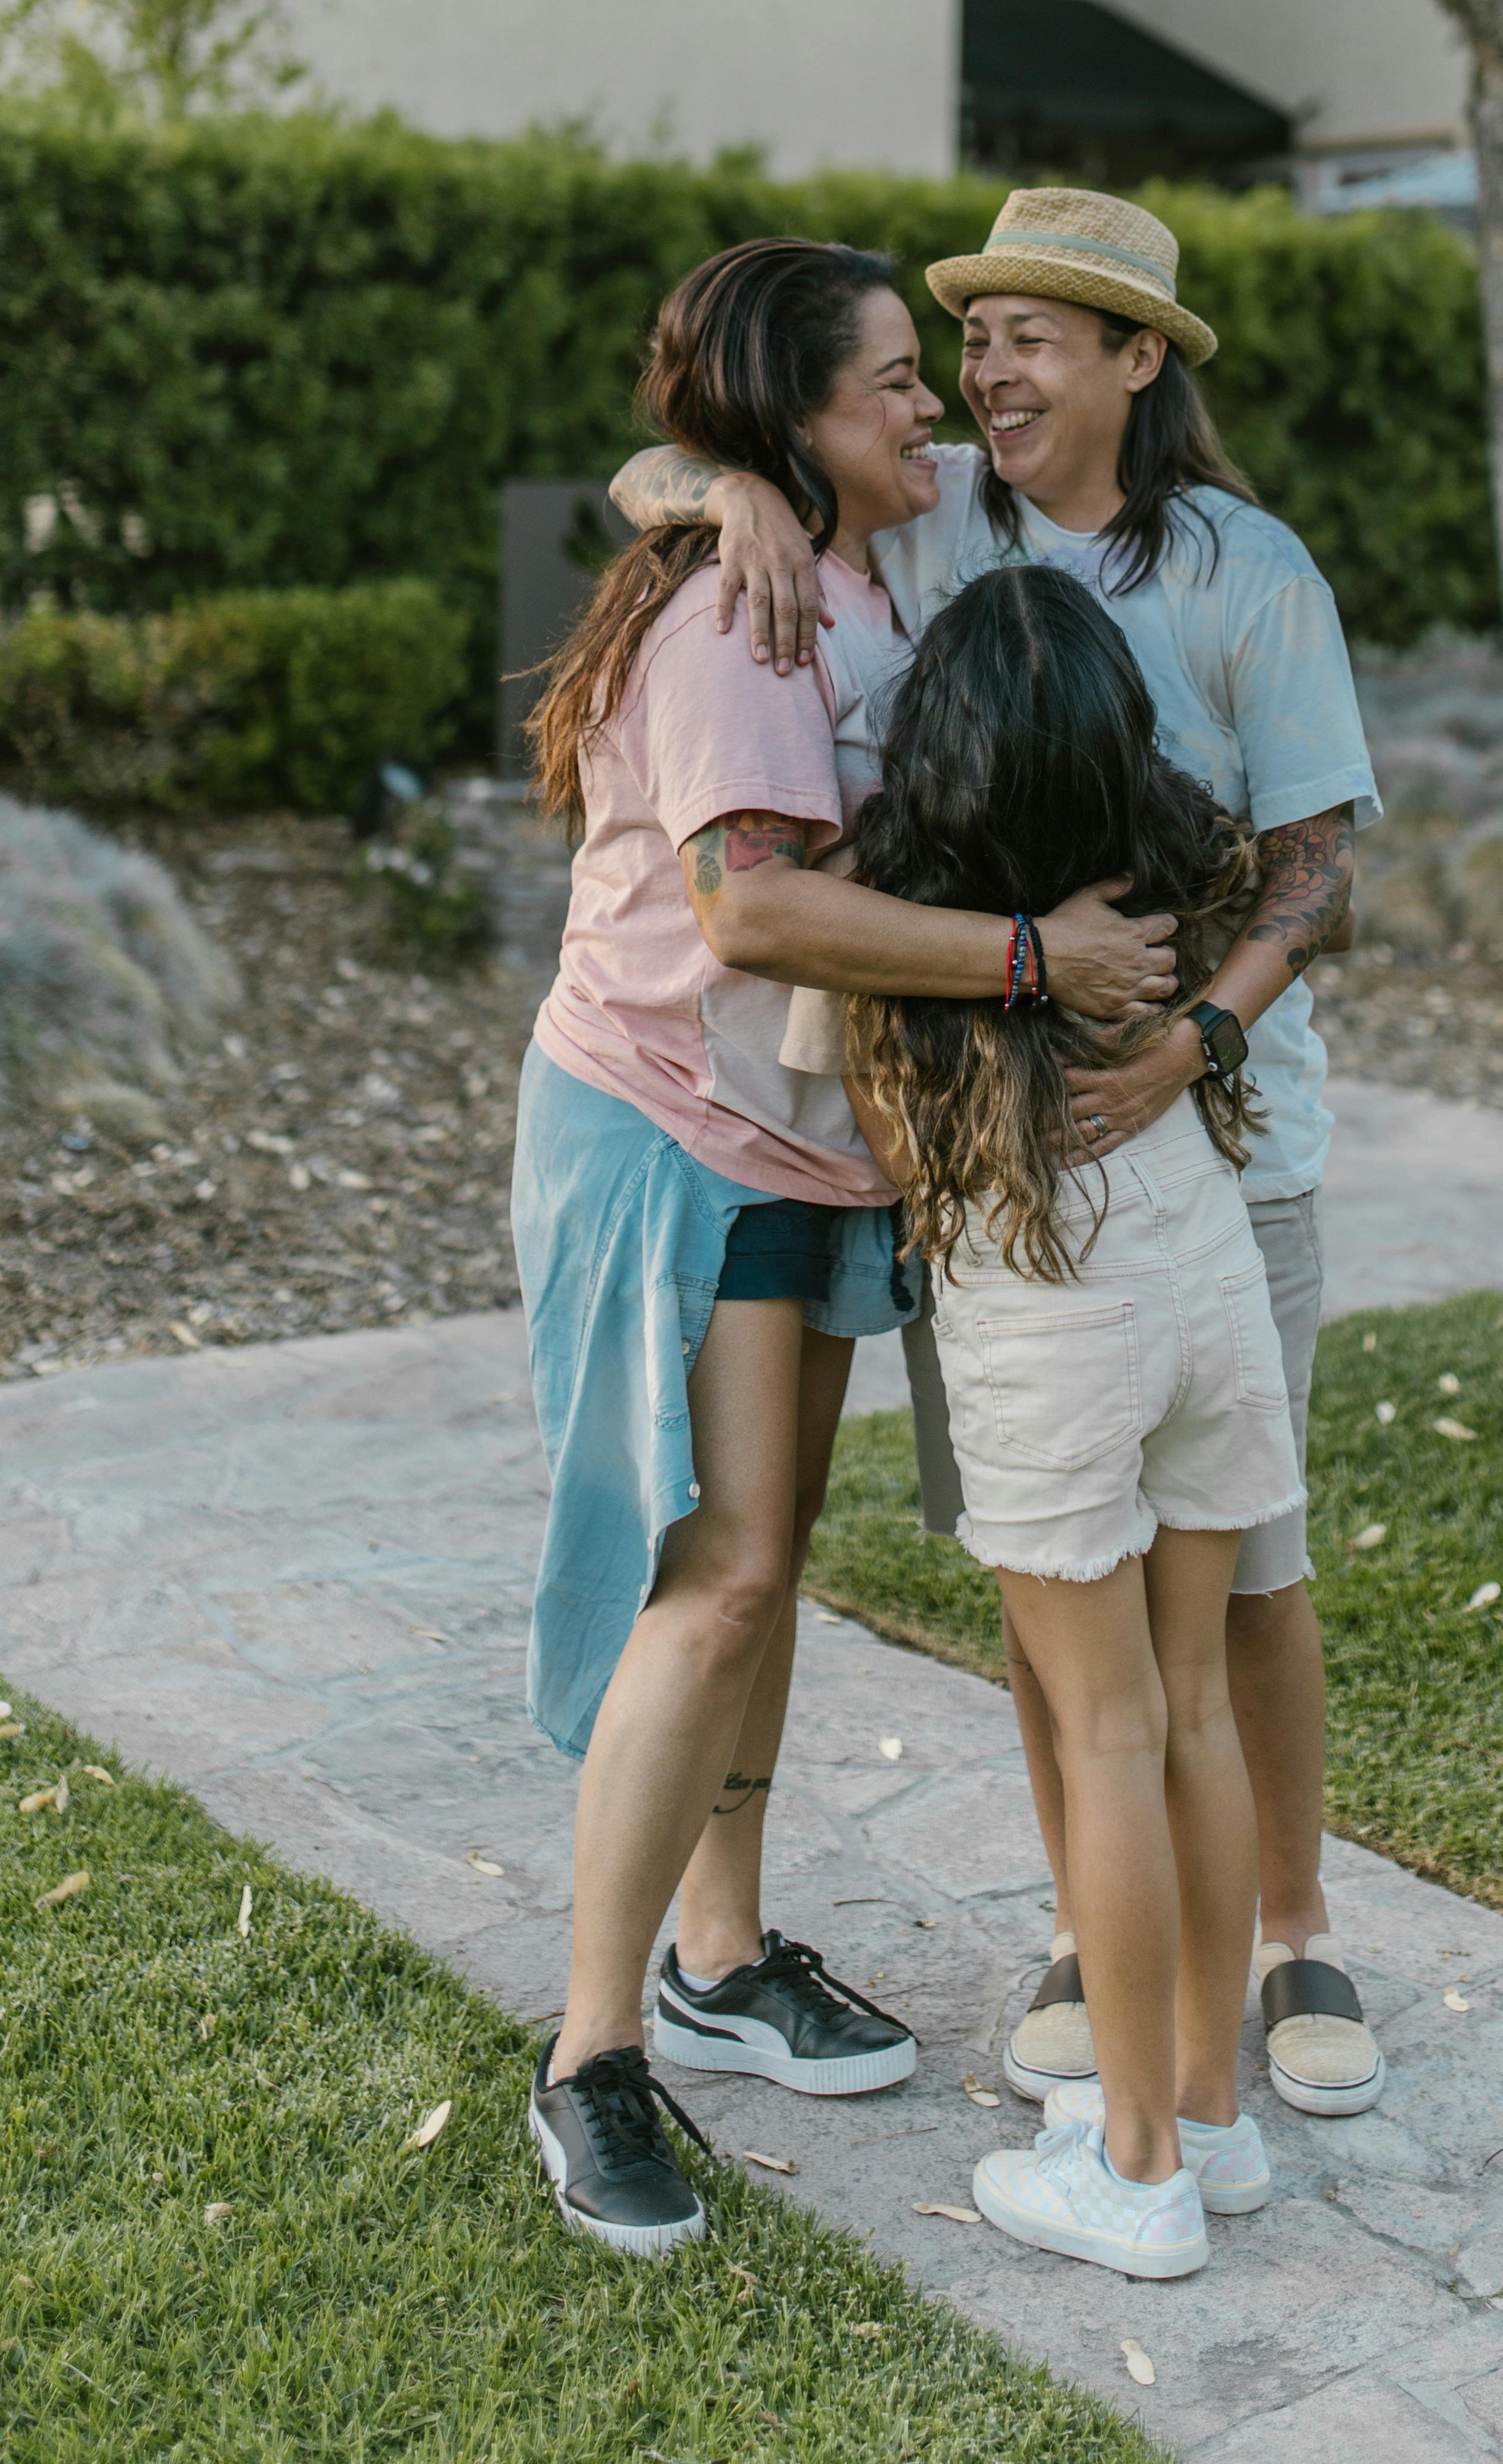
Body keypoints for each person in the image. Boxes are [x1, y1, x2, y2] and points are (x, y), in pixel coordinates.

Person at [613, 186, 1385, 2123]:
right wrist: (744, 502)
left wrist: (1198, 1035)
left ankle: (1290, 1936)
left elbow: (1317, 875)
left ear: (1140, 362)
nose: (990, 365)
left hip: (1227, 1150)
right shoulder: (933, 508)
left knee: (1243, 1582)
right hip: (992, 1181)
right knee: (1058, 1566)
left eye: (1042, 332)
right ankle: (1094, 1935)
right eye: (978, 335)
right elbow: (661, 460)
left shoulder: (1241, 569)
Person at [513, 234, 1178, 2256]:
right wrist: (1027, 956)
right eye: (888, 377)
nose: (930, 403)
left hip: (808, 1155)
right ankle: (590, 2058)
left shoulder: (889, 549)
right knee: (710, 1582)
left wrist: (723, 476)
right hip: (672, 1133)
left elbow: (684, 456)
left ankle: (723, 1959)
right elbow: (752, 917)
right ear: (796, 420)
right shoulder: (745, 617)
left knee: (767, 1569)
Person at [801, 567, 1300, 2279]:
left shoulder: (896, 906)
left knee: (1100, 1735)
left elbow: (880, 1144)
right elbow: (1298, 902)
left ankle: (1136, 2171)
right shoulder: (1166, 858)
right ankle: (1214, 2125)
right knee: (1193, 1719)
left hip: (1050, 1319)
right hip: (1203, 1283)